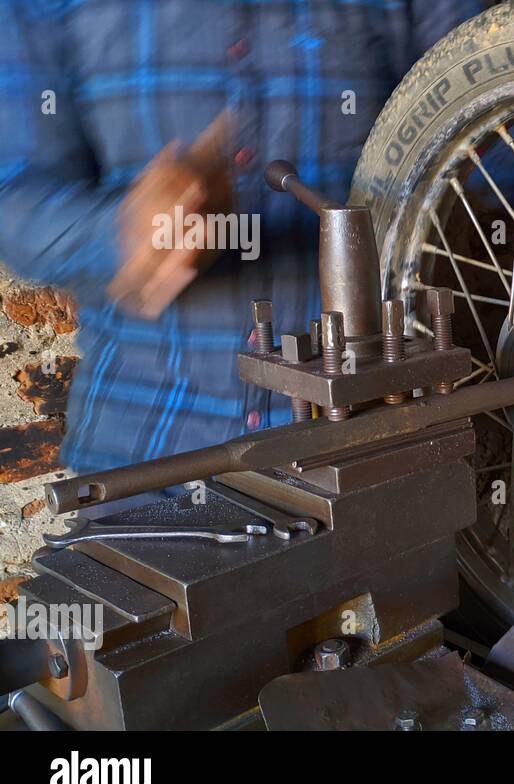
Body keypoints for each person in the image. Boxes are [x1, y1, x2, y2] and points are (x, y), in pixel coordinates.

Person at [0, 0, 486, 474]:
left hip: (370, 440)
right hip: (147, 458)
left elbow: (510, 122)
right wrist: (121, 233)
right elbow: (16, 197)